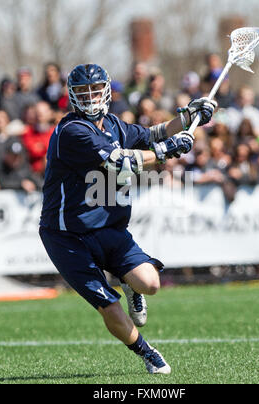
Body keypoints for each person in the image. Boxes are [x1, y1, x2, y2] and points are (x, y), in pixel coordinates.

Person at [39, 63, 216, 375]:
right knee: (108, 304)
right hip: (67, 235)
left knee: (150, 284)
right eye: (83, 92)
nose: (91, 97)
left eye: (95, 90)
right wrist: (168, 151)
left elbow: (151, 134)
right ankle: (147, 353)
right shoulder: (72, 131)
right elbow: (120, 163)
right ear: (72, 96)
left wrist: (188, 117)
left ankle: (128, 282)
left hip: (108, 227)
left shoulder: (115, 124)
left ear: (106, 90)